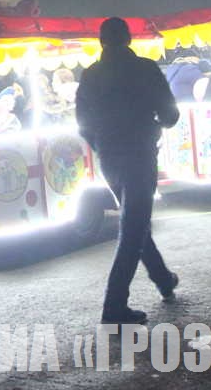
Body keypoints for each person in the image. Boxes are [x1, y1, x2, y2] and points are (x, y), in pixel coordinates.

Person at [76, 17, 180, 325]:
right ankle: (114, 306)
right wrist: (154, 126)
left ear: (101, 42)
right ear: (129, 39)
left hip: (110, 159)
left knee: (134, 221)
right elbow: (170, 114)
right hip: (140, 154)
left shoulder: (90, 75)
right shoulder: (145, 69)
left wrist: (101, 144)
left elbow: (83, 124)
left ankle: (163, 279)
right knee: (133, 227)